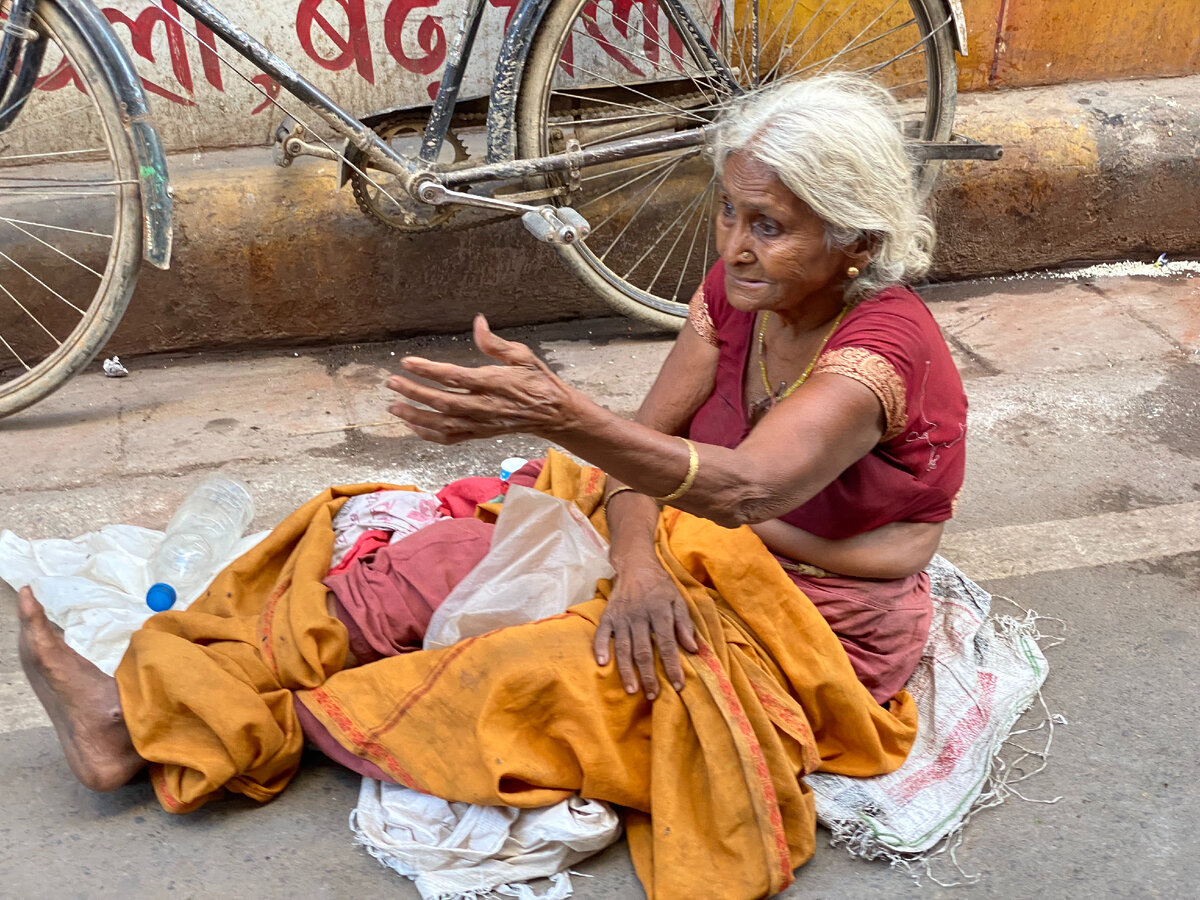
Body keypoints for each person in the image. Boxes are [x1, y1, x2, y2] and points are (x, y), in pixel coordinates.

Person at [17, 74, 966, 899]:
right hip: (684, 535)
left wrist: (562, 419)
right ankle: (146, 705)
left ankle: (163, 728)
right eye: (728, 212)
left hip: (813, 611)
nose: (737, 245)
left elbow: (749, 490)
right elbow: (641, 452)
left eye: (771, 225)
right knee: (426, 566)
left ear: (855, 240)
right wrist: (636, 567)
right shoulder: (736, 296)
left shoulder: (881, 350)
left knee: (524, 683)